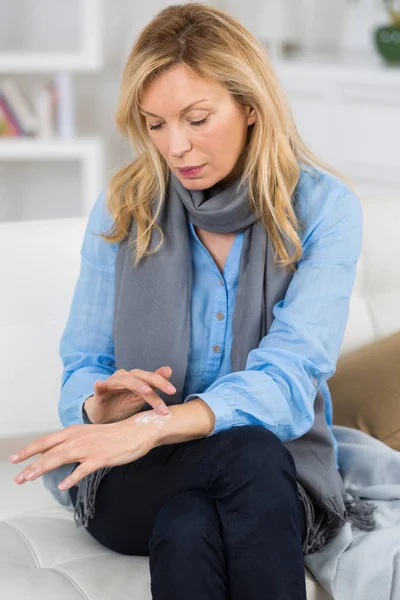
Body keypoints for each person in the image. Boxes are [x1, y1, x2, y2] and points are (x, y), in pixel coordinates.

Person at [9, 4, 376, 599]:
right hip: (134, 481)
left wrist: (157, 425)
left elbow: (290, 377)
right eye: (155, 124)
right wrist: (101, 412)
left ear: (251, 106)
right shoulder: (124, 206)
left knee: (191, 522)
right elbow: (83, 367)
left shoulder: (323, 209)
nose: (175, 147)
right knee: (248, 457)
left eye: (196, 118)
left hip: (269, 474)